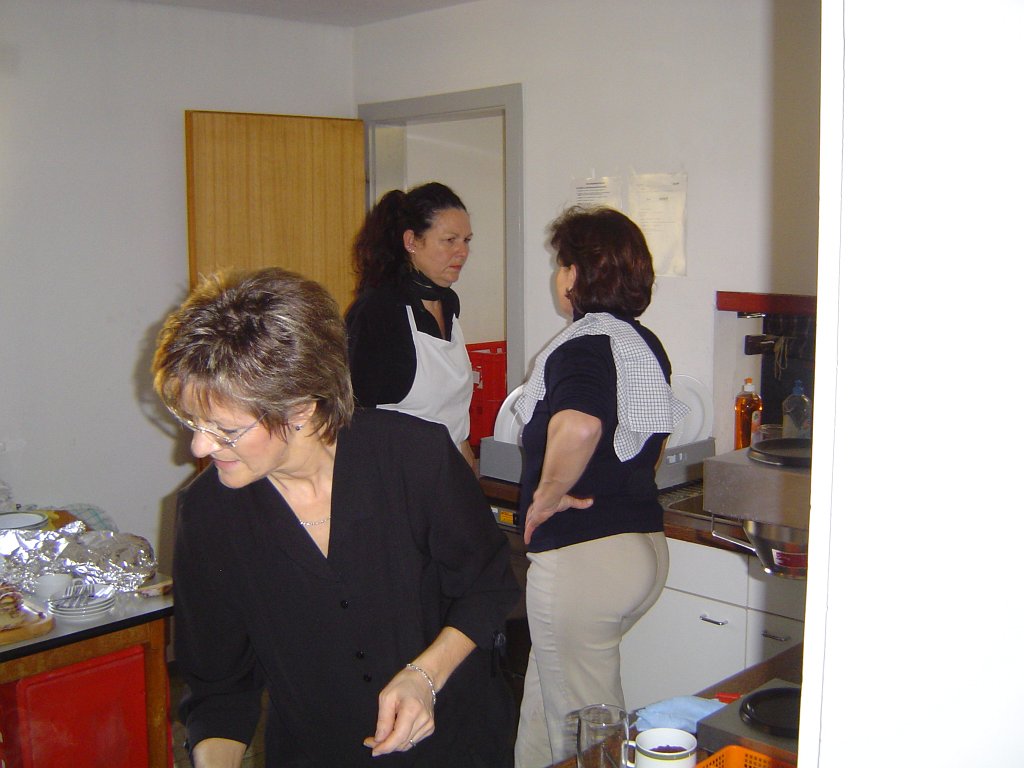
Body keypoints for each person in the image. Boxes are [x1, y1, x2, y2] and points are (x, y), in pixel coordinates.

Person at [152, 267, 519, 768]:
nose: (199, 446)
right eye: (193, 422)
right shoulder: (208, 515)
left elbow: (487, 586)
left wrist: (425, 676)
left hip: (457, 742)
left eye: (225, 430)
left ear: (301, 408)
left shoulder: (414, 458)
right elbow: (219, 690)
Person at [511, 207, 687, 767]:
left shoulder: (582, 345)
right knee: (546, 705)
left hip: (584, 561)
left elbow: (581, 425)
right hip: (640, 550)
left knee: (587, 734)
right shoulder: (642, 343)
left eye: (560, 264)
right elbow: (652, 437)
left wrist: (547, 495)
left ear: (575, 275)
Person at [345, 182, 477, 468]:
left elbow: (452, 415)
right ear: (411, 242)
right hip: (398, 475)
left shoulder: (449, 304)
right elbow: (353, 417)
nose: (462, 252)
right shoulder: (379, 311)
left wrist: (469, 472)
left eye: (466, 240)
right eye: (450, 240)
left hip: (450, 469)